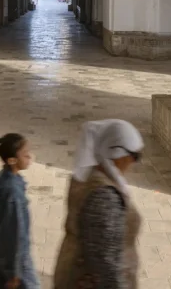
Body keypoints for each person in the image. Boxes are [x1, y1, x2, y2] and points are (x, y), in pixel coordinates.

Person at [54, 120, 144, 289]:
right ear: (118, 153)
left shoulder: (89, 176)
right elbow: (105, 262)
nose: (134, 162)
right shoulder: (104, 197)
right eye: (135, 155)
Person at [0, 133, 40, 289]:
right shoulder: (12, 193)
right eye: (25, 155)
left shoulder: (4, 178)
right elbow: (15, 234)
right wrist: (15, 273)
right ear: (12, 160)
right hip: (15, 262)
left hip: (0, 255)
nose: (30, 157)